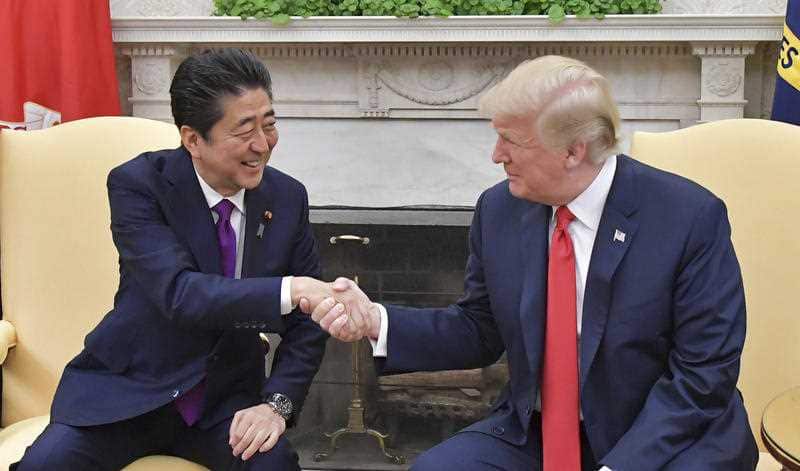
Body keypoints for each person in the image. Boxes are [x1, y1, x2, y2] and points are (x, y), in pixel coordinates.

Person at [305, 56, 759, 470]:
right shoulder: (500, 209)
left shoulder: (687, 217)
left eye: (510, 140)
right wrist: (375, 321)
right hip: (538, 432)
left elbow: (702, 376)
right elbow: (478, 329)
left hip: (666, 435)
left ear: (573, 151)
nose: (495, 155)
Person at [14, 48, 348, 470]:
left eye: (269, 124)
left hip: (224, 403)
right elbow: (179, 293)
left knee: (273, 463)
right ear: (193, 139)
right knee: (45, 465)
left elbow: (307, 323)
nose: (263, 145)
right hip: (128, 392)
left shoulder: (286, 197)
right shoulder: (139, 185)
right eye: (244, 130)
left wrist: (275, 406)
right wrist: (291, 289)